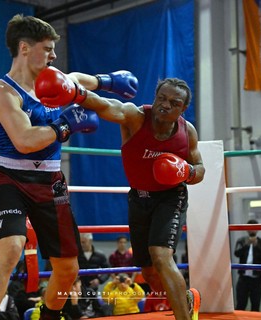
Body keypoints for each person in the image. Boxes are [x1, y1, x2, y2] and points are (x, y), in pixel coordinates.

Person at [0, 14, 138, 320]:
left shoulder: (56, 80)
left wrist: (111, 81)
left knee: (67, 268)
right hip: (10, 178)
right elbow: (24, 140)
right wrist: (65, 126)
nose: (52, 55)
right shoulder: (3, 93)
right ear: (24, 48)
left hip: (50, 180)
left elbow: (79, 79)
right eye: (47, 48)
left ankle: (49, 316)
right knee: (11, 247)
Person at [35, 71, 206, 319]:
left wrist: (187, 171)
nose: (165, 105)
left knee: (161, 255)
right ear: (156, 97)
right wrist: (74, 92)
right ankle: (186, 298)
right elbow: (105, 105)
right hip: (139, 198)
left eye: (174, 103)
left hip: (171, 197)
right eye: (162, 98)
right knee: (150, 275)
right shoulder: (135, 117)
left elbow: (200, 169)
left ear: (184, 108)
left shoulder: (187, 131)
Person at [234, 219, 261, 311]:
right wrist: (246, 244)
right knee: (240, 305)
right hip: (243, 279)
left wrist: (257, 245)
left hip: (257, 279)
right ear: (247, 229)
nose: (252, 230)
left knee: (255, 306)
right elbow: (236, 253)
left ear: (257, 229)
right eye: (250, 228)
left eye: (254, 228)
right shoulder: (241, 241)